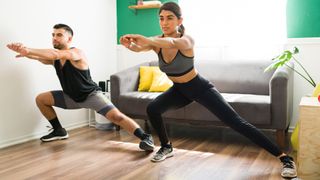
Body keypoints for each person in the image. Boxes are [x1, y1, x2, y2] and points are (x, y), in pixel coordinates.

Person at [119, 2, 297, 178]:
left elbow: (172, 42)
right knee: (153, 108)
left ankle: (285, 158)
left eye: (170, 18)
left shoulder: (187, 40)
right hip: (180, 90)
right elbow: (139, 47)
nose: (164, 23)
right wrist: (129, 44)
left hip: (199, 87)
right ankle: (167, 146)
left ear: (180, 20)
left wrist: (146, 39)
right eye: (161, 19)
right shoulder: (156, 43)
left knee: (236, 122)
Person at [7, 24, 154, 151]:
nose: (54, 38)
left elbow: (54, 54)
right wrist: (25, 53)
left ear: (69, 39)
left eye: (59, 35)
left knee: (117, 117)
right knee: (41, 99)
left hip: (91, 96)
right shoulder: (56, 60)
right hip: (70, 97)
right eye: (53, 35)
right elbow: (41, 57)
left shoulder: (76, 53)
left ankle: (145, 137)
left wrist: (28, 50)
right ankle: (59, 130)